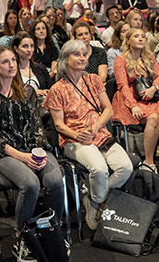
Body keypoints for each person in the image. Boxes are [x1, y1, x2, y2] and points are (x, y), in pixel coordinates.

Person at [0, 47, 66, 262]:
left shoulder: (27, 91)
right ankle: (22, 235)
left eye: (13, 60)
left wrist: (37, 153)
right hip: (3, 153)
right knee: (31, 184)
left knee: (55, 180)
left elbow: (38, 126)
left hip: (30, 149)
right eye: (5, 62)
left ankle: (51, 231)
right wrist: (21, 156)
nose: (11, 65)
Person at [45, 39, 133, 229]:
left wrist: (95, 128)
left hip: (100, 134)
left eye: (85, 54)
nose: (83, 58)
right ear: (65, 59)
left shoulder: (93, 80)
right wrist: (79, 136)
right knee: (99, 169)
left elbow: (108, 110)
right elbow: (59, 125)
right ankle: (100, 203)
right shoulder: (57, 89)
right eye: (77, 54)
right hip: (74, 139)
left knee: (125, 167)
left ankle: (93, 199)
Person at [113, 27, 159, 185]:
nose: (140, 39)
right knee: (153, 119)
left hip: (149, 97)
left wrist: (154, 88)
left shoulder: (149, 57)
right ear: (128, 41)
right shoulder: (121, 59)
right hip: (129, 100)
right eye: (136, 36)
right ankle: (149, 162)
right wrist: (133, 106)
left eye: (142, 36)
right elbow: (123, 86)